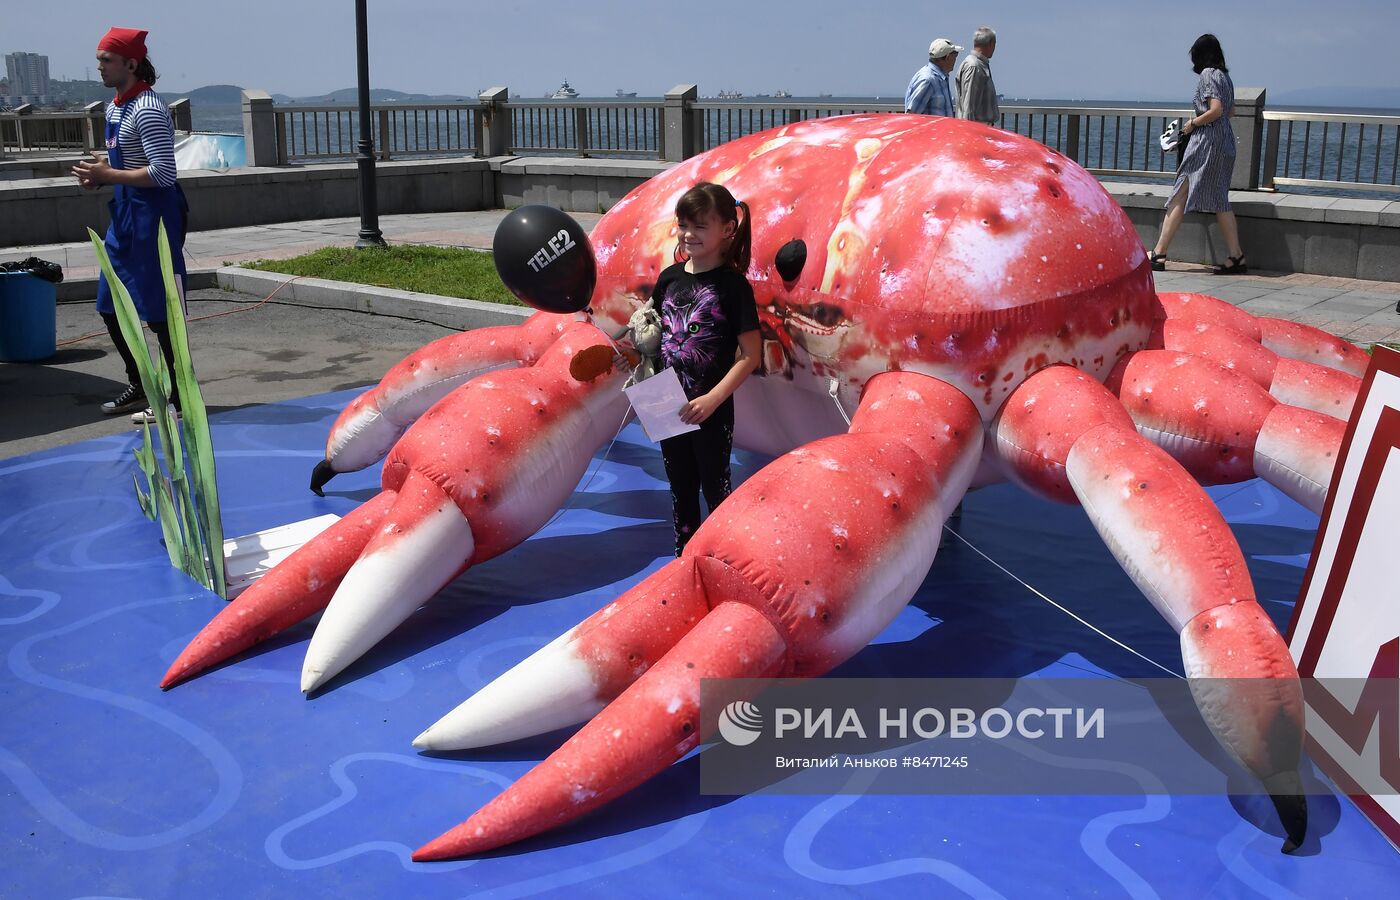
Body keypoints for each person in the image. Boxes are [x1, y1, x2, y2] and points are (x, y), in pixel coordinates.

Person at [72, 26, 189, 423]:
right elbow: (124, 165)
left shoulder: (148, 110)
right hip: (123, 216)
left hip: (152, 218)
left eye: (107, 60)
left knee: (160, 312)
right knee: (110, 306)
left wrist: (109, 175)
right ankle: (142, 387)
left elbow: (163, 173)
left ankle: (180, 399)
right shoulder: (115, 107)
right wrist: (99, 174)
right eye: (100, 60)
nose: (100, 68)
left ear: (131, 64)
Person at [652, 182, 761, 556]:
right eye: (684, 225)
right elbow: (656, 334)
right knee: (679, 486)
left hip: (710, 409)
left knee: (715, 485)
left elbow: (750, 355)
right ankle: (685, 557)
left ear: (727, 229)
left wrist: (713, 399)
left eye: (700, 226)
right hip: (666, 402)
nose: (689, 234)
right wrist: (631, 355)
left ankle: (721, 556)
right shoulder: (668, 278)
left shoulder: (733, 287)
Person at [1148, 34, 1246, 275]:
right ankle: (1236, 256)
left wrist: (1192, 125)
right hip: (1224, 142)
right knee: (1219, 199)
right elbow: (1230, 111)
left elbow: (1216, 110)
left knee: (1180, 192)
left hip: (1205, 143)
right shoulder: (1225, 77)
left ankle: (1159, 253)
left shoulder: (1208, 75)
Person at [905, 38, 962, 117]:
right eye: (955, 55)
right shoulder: (927, 80)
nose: (955, 59)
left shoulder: (940, 78)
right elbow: (911, 116)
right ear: (948, 57)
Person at [955, 26, 1000, 126]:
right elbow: (969, 105)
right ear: (990, 44)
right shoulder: (974, 66)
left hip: (980, 128)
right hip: (978, 129)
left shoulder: (977, 64)